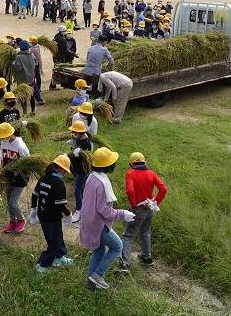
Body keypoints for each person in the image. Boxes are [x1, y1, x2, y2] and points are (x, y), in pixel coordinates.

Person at [80, 148, 136, 290]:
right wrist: (122, 214)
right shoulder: (102, 183)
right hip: (98, 225)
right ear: (108, 165)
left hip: (88, 220)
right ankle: (98, 275)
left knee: (98, 251)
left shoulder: (91, 176)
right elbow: (104, 211)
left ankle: (90, 283)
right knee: (117, 246)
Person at [120, 152, 167, 271]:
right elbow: (163, 189)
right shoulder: (151, 173)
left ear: (131, 164)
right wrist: (155, 203)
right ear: (144, 162)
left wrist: (133, 204)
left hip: (138, 208)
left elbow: (130, 191)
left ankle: (125, 264)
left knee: (128, 236)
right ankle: (146, 257)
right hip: (149, 208)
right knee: (145, 233)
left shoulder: (130, 173)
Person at [30, 154, 73, 272]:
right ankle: (42, 265)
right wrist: (68, 214)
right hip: (52, 217)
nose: (65, 174)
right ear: (62, 169)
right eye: (65, 171)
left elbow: (35, 194)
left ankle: (59, 258)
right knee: (54, 242)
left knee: (56, 237)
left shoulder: (44, 177)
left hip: (42, 214)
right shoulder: (58, 183)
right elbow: (60, 205)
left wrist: (33, 209)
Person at [0, 122, 30, 234]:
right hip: (7, 175)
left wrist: (16, 172)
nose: (2, 139)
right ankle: (12, 221)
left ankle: (21, 220)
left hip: (20, 177)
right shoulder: (4, 143)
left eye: (3, 137)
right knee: (8, 198)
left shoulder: (20, 145)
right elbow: (2, 158)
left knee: (13, 202)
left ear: (10, 134)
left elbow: (26, 163)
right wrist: (1, 172)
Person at [67, 121, 93, 223]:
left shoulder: (86, 142)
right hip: (76, 168)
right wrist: (73, 144)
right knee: (82, 187)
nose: (73, 133)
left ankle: (79, 211)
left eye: (74, 131)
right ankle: (85, 204)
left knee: (77, 189)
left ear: (79, 132)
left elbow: (85, 157)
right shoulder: (79, 138)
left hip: (82, 170)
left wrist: (78, 152)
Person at [12, 40, 38, 115]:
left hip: (22, 81)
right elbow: (35, 63)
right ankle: (33, 111)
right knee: (31, 96)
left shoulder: (18, 57)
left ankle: (25, 112)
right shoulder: (31, 55)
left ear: (20, 48)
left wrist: (13, 64)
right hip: (31, 79)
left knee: (23, 97)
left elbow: (18, 68)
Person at [28, 36, 45, 105]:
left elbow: (39, 59)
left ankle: (38, 89)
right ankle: (38, 88)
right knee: (37, 77)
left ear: (33, 43)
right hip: (36, 65)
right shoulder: (36, 47)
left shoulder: (33, 49)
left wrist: (40, 67)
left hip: (35, 65)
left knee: (35, 78)